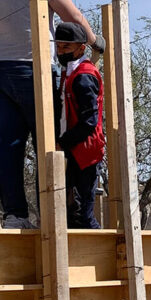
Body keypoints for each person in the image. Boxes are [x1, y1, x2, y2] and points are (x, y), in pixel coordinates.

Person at [0, 0, 104, 228]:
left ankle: (15, 215)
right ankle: (53, 217)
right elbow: (70, 14)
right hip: (30, 66)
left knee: (9, 143)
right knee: (50, 143)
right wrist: (96, 42)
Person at [55, 23, 105, 229]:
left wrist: (63, 142)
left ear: (81, 48)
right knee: (71, 212)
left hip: (85, 151)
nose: (60, 52)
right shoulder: (71, 73)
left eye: (66, 48)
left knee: (83, 214)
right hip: (76, 149)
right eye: (58, 47)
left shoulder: (83, 76)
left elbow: (89, 121)